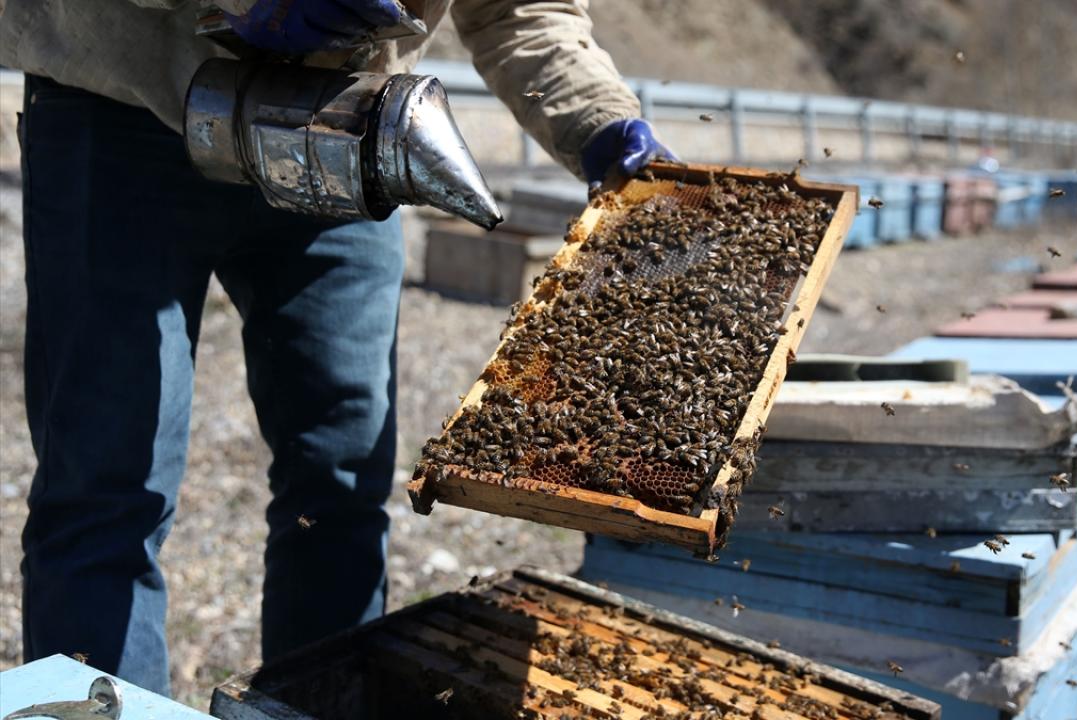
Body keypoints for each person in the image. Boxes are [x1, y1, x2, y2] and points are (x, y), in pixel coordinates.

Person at [0, 0, 673, 696]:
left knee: (342, 483)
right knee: (102, 491)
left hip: (344, 125)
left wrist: (598, 121)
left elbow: (522, 11)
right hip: (121, 107)